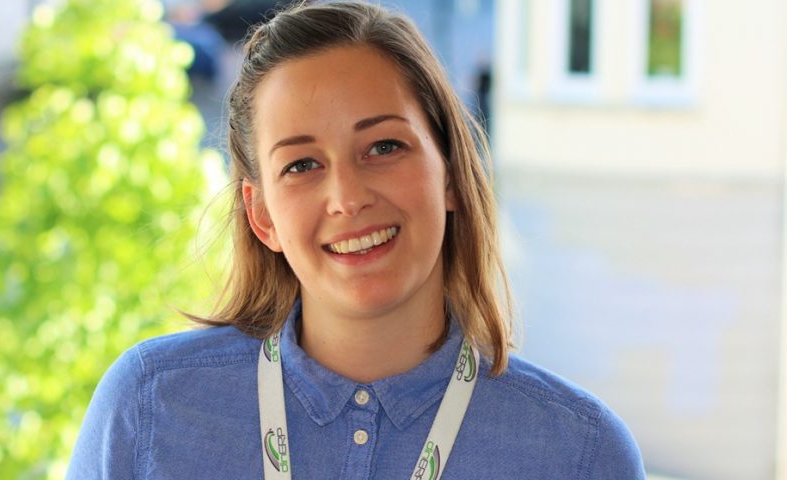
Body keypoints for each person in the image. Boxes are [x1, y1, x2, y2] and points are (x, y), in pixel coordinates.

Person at [67, 2, 646, 478]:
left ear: (448, 171)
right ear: (262, 215)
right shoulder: (149, 408)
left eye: (384, 147)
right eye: (301, 165)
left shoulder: (582, 455)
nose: (347, 197)